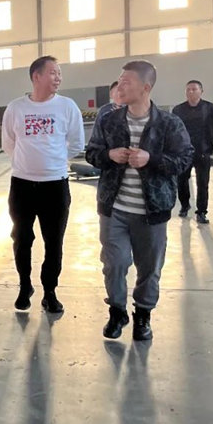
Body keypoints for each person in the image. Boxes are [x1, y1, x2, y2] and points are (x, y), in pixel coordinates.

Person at [86, 60, 193, 341]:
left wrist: (151, 159)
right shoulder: (108, 121)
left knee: (149, 268)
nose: (120, 86)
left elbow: (184, 159)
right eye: (119, 81)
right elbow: (92, 153)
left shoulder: (169, 123)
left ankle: (143, 315)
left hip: (152, 211)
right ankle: (117, 311)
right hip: (114, 209)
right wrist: (108, 156)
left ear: (145, 88)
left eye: (127, 82)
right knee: (115, 262)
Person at [2, 55, 85, 313]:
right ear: (36, 76)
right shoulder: (16, 108)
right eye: (53, 72)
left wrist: (53, 161)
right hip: (22, 185)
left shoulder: (67, 106)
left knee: (54, 241)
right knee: (21, 238)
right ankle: (24, 285)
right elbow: (8, 143)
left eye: (59, 73)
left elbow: (77, 143)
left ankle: (50, 291)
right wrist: (27, 164)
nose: (58, 77)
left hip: (55, 186)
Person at [172, 80, 213, 224]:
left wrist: (207, 143)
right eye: (188, 89)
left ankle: (202, 212)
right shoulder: (178, 110)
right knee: (182, 180)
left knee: (203, 183)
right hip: (184, 152)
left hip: (203, 151)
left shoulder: (209, 108)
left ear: (201, 91)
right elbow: (174, 130)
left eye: (194, 89)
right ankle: (184, 205)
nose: (191, 92)